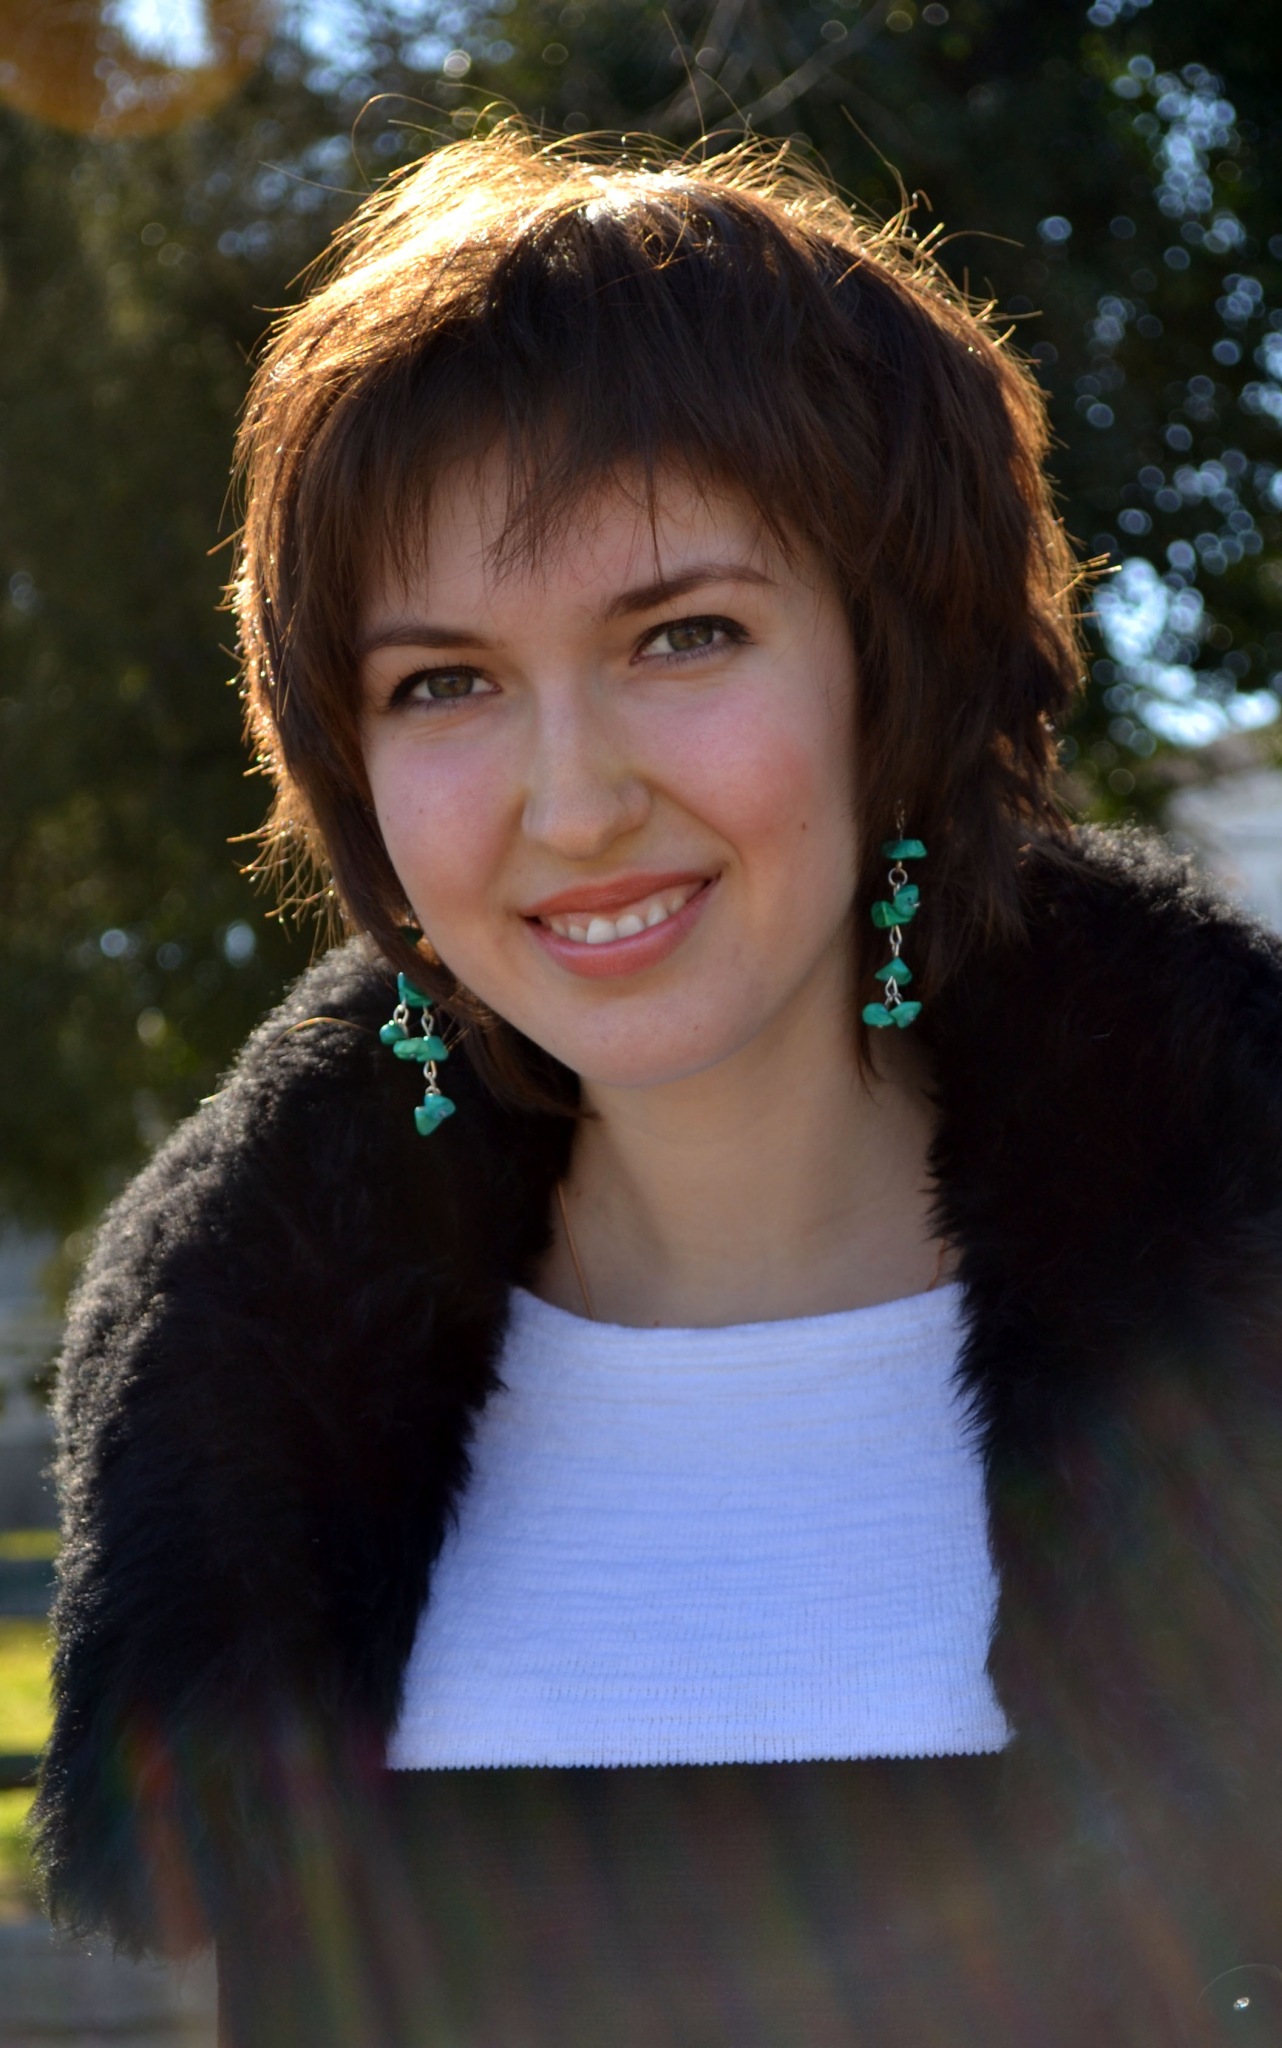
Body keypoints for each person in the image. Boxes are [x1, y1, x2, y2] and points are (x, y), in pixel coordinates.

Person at [30, 128, 1282, 2047]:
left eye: (681, 636)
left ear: (897, 670)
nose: (572, 802)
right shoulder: (245, 1424)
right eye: (442, 682)